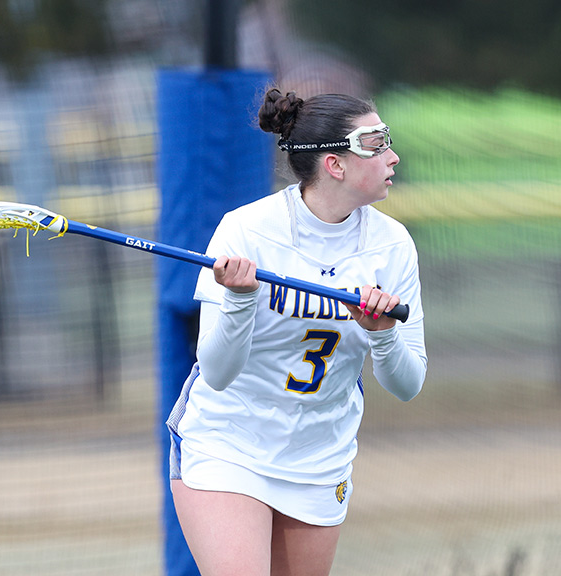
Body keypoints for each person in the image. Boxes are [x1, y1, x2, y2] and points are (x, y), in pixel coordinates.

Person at [166, 88, 427, 576]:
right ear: (335, 165)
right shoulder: (246, 230)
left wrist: (383, 334)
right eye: (376, 143)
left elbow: (408, 385)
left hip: (319, 455)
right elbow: (217, 373)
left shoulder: (392, 246)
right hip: (230, 442)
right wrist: (242, 299)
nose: (392, 156)